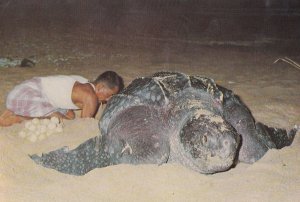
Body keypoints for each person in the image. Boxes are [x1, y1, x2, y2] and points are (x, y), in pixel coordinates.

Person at [0, 71, 124, 127]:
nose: (108, 99)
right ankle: (16, 118)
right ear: (100, 87)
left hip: (23, 90)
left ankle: (14, 110)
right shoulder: (90, 97)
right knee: (60, 123)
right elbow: (83, 126)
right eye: (108, 95)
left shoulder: (83, 82)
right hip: (26, 95)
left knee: (70, 115)